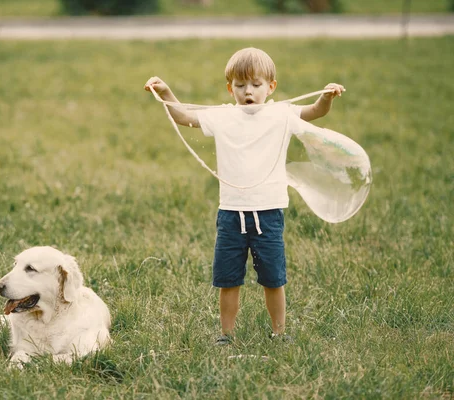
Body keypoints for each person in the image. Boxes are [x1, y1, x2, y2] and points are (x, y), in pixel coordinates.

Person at [144, 47, 345, 344]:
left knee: (274, 279)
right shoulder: (224, 117)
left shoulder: (282, 114)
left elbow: (315, 112)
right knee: (228, 280)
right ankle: (226, 334)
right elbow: (186, 117)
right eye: (240, 86)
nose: (247, 92)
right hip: (231, 214)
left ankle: (279, 333)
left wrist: (325, 97)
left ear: (271, 87)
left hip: (269, 213)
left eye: (255, 85)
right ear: (230, 89)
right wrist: (166, 93)